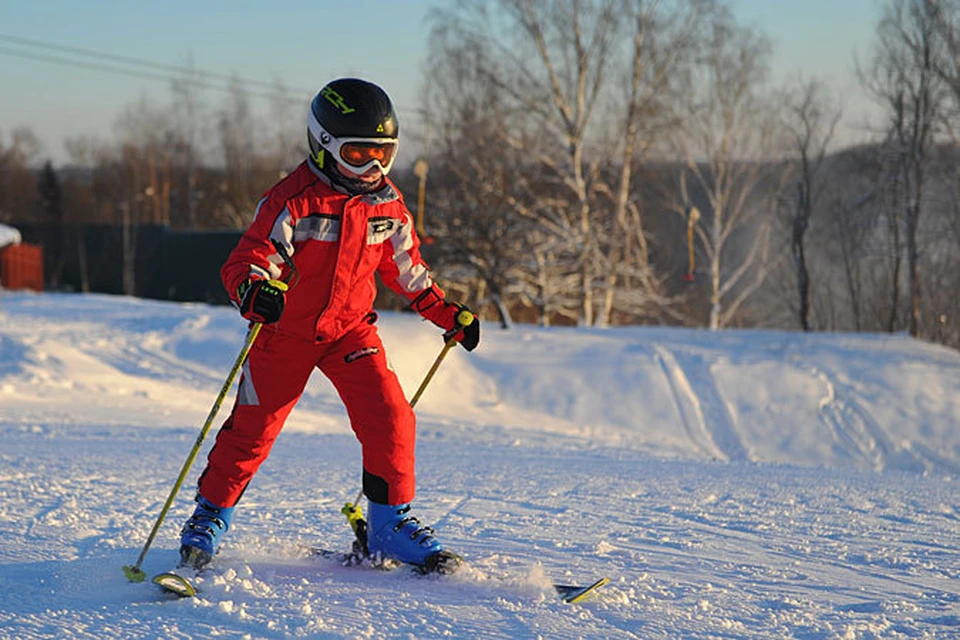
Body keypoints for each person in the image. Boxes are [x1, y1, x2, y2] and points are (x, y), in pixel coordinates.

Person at [178, 78, 479, 574]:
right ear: (322, 146)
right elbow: (247, 262)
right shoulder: (293, 202)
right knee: (252, 432)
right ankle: (210, 514)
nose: (374, 167)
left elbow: (408, 272)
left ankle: (389, 523)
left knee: (392, 416)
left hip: (350, 332)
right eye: (358, 154)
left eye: (383, 154)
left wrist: (448, 314)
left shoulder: (387, 204)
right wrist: (256, 290)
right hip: (285, 334)